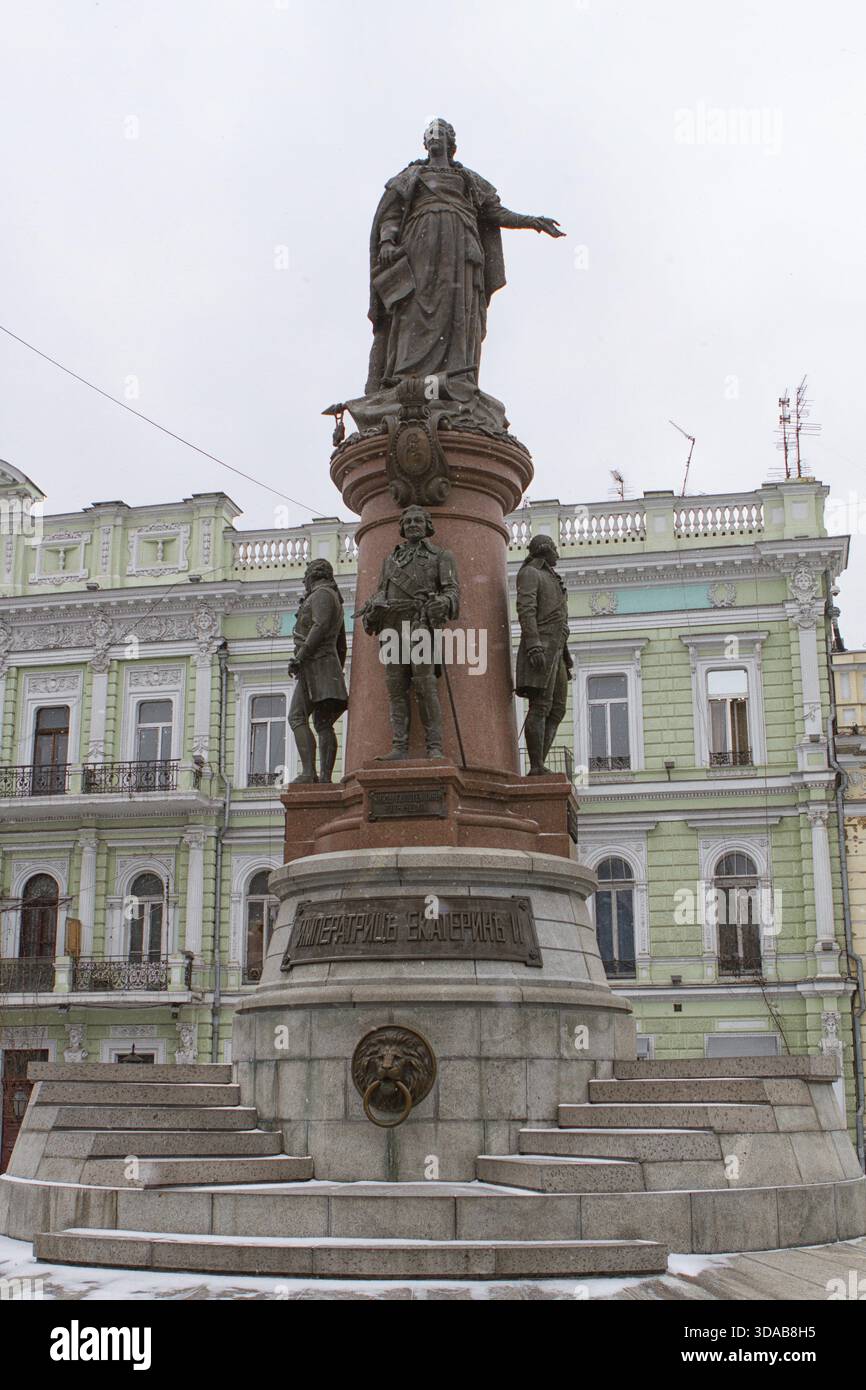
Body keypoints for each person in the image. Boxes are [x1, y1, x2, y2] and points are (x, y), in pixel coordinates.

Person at [365, 118, 564, 401]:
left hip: (461, 250)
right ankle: (405, 379)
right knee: (415, 306)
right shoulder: (412, 175)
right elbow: (392, 213)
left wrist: (532, 221)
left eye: (441, 132)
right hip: (420, 247)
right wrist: (386, 240)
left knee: (458, 311)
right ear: (425, 141)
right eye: (430, 133)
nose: (435, 136)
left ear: (450, 141)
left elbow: (495, 213)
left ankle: (456, 378)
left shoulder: (467, 180)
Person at [359, 505, 459, 760]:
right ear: (402, 527)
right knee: (395, 687)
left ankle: (434, 746)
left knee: (425, 686)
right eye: (408, 521)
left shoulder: (441, 556)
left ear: (427, 526)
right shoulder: (389, 561)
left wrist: (443, 603)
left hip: (420, 623)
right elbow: (381, 590)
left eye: (418, 520)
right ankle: (399, 746)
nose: (413, 524)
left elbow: (452, 593)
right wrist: (374, 607)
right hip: (392, 626)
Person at [515, 534, 573, 775]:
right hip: (541, 648)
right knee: (540, 705)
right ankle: (537, 766)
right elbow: (526, 610)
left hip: (558, 649)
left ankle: (540, 763)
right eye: (554, 548)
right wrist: (534, 644)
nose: (557, 553)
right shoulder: (531, 573)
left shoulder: (551, 576)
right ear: (545, 549)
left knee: (557, 708)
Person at [287, 558, 348, 783]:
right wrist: (335, 669)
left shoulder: (321, 594)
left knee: (296, 716)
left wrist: (300, 657)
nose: (304, 580)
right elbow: (342, 645)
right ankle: (322, 778)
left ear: (313, 574)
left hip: (315, 665)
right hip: (325, 665)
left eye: (306, 575)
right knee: (323, 723)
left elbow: (319, 626)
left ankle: (310, 774)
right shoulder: (333, 597)